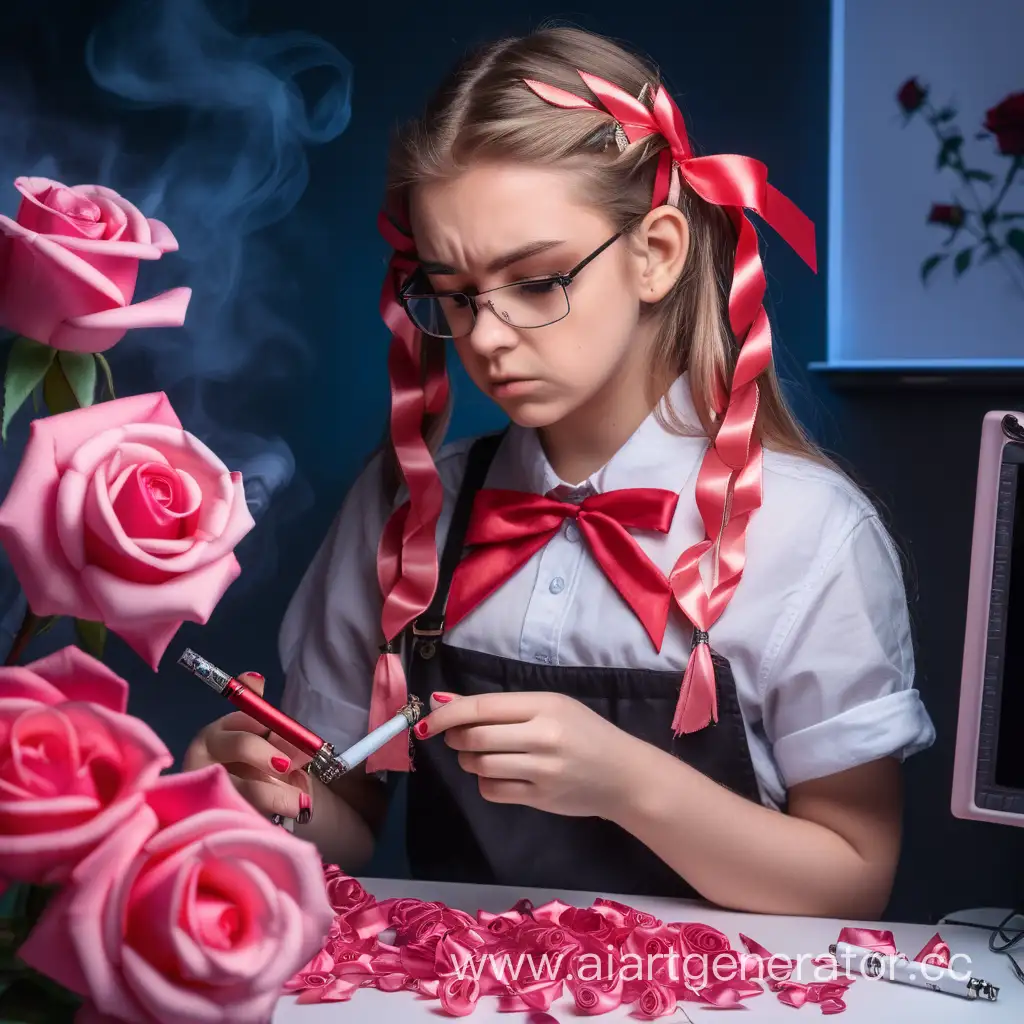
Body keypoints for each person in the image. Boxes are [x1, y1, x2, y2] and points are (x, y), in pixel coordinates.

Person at [183, 25, 935, 918]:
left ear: (656, 253)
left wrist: (628, 783)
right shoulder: (407, 507)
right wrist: (269, 800)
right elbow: (347, 807)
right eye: (455, 294)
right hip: (455, 994)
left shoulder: (808, 533)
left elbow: (852, 876)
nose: (487, 337)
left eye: (536, 281)